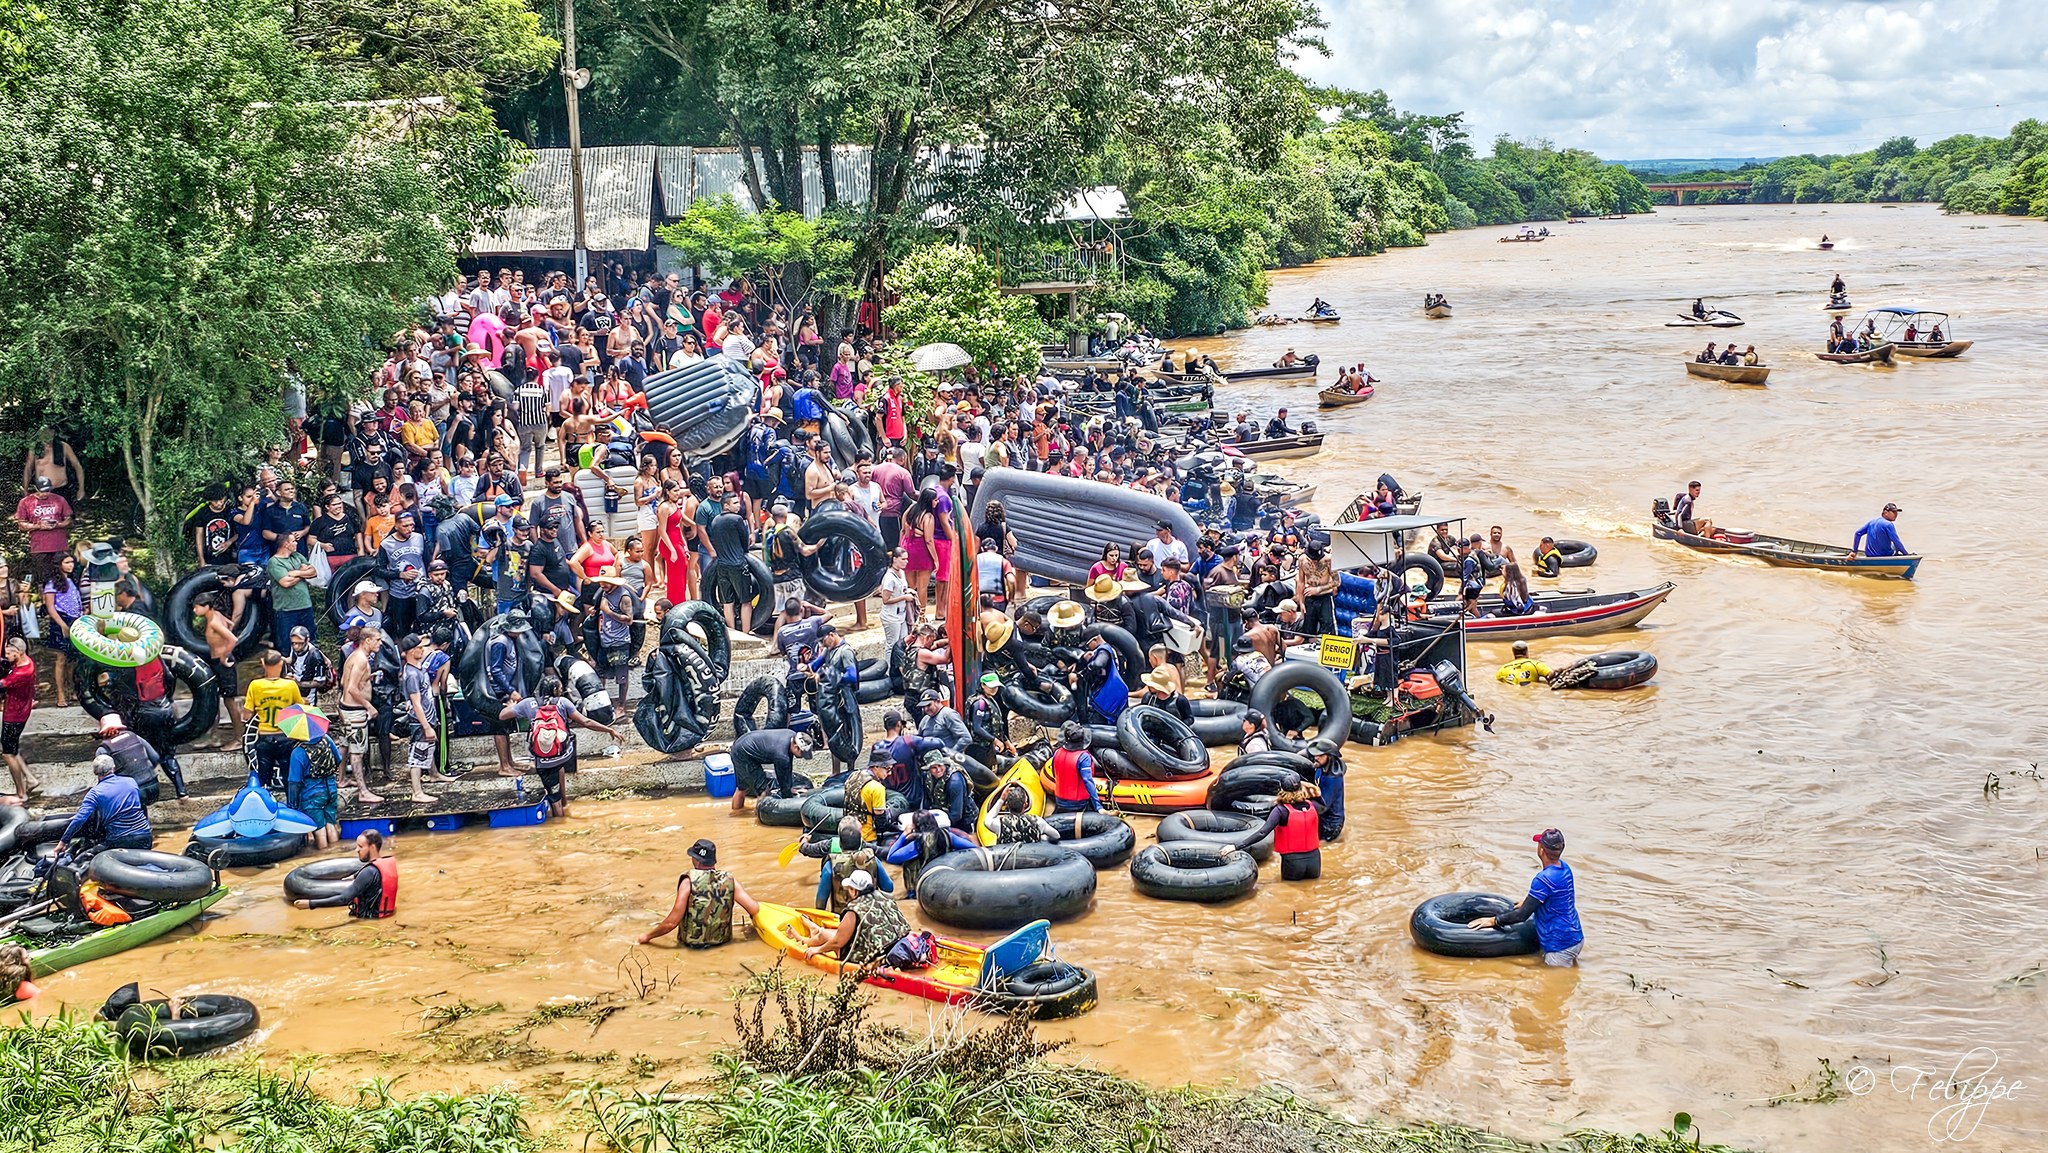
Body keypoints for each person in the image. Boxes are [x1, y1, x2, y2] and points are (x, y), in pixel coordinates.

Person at [499, 671, 622, 818]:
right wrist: (609, 730)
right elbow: (586, 722)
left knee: (553, 797)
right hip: (564, 754)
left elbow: (502, 716)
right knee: (559, 764)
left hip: (543, 760)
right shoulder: (563, 703)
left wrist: (514, 705)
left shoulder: (528, 703)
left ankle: (559, 818)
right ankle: (564, 804)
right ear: (556, 690)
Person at [1467, 827, 1585, 967]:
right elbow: (1558, 897)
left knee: (1554, 985)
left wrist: (1494, 921)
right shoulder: (1565, 869)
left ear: (1541, 850)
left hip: (1559, 946)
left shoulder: (1543, 879)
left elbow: (1521, 916)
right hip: (1576, 937)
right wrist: (1529, 902)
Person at [638, 838, 761, 947]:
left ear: (696, 860)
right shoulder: (730, 880)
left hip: (693, 946)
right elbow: (754, 909)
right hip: (722, 943)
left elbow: (671, 923)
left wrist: (647, 936)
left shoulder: (688, 882)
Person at [796, 869, 910, 964]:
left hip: (872, 956)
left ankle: (804, 940)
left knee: (824, 934)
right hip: (896, 946)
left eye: (850, 888)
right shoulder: (886, 897)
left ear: (854, 891)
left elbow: (838, 942)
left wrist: (818, 950)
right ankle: (815, 930)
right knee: (832, 933)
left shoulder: (854, 909)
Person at [1221, 781, 1325, 880]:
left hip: (1294, 862)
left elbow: (1263, 832)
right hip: (1314, 861)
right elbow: (1324, 808)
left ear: (1281, 789)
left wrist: (1236, 846)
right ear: (1301, 788)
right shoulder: (1313, 806)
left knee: (1291, 894)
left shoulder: (1281, 811)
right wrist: (1319, 795)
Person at [55, 755, 152, 860]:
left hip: (119, 840)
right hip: (144, 836)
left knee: (88, 855)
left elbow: (80, 818)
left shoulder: (94, 793)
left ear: (95, 772)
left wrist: (63, 841)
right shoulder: (131, 781)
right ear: (113, 768)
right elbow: (141, 806)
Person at [292, 830, 398, 919]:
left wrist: (310, 904)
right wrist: (354, 876)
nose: (357, 850)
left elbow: (344, 898)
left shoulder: (368, 873)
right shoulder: (385, 864)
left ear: (372, 848)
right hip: (383, 915)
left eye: (361, 847)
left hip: (368, 920)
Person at [243, 650, 305, 790]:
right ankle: (292, 805)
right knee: (289, 777)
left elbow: (246, 715)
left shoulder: (255, 685)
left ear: (263, 664)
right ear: (281, 663)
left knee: (264, 779)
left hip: (264, 738)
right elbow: (301, 708)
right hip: (285, 737)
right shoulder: (290, 685)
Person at [337, 627, 386, 805]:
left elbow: (344, 681)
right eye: (378, 640)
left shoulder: (353, 656)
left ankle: (341, 779)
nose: (380, 643)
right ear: (367, 641)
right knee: (356, 751)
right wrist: (368, 705)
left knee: (344, 745)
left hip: (345, 708)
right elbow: (350, 688)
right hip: (355, 711)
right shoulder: (361, 660)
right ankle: (363, 791)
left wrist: (366, 678)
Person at [727, 726, 816, 815]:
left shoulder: (791, 735)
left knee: (742, 788)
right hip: (744, 754)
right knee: (764, 791)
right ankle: (760, 818)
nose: (802, 757)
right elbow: (782, 775)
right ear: (796, 746)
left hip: (740, 746)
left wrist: (789, 788)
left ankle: (736, 813)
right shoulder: (781, 755)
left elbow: (787, 768)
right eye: (802, 753)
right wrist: (788, 797)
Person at [287, 728, 345, 850]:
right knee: (331, 824)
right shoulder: (326, 739)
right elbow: (338, 759)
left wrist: (292, 805)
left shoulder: (298, 753)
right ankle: (336, 852)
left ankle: (323, 856)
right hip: (331, 790)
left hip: (312, 794)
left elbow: (294, 782)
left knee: (319, 829)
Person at [1, 636, 38, 800]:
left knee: (8, 754)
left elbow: (2, 684)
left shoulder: (22, 672)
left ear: (19, 652)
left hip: (14, 715)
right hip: (21, 710)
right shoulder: (26, 661)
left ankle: (21, 793)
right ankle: (30, 780)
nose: (7, 656)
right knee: (13, 750)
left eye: (10, 654)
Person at [1047, 721, 1105, 814]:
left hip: (1059, 800)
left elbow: (1054, 773)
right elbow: (1088, 781)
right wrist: (1098, 806)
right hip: (1078, 803)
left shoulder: (1057, 752)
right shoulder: (1084, 757)